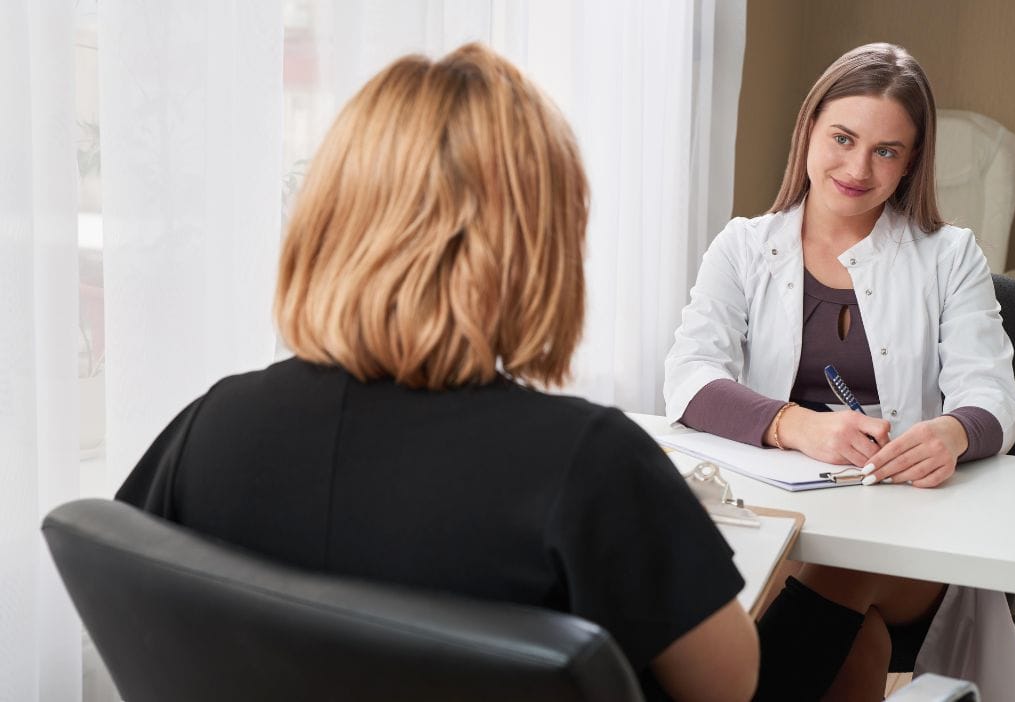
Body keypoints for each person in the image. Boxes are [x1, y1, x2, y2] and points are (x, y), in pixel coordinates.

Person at [117, 44, 760, 702]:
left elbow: (120, 588)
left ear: (330, 221)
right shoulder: (591, 463)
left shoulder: (211, 427)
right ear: (536, 246)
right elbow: (729, 684)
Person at [665, 43, 1015, 701]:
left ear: (911, 161)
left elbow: (994, 392)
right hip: (783, 518)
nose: (859, 168)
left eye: (887, 150)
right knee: (856, 642)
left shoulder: (950, 256)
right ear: (808, 130)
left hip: (911, 535)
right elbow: (689, 376)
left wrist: (951, 433)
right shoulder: (743, 247)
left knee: (841, 572)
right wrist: (794, 425)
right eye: (842, 138)